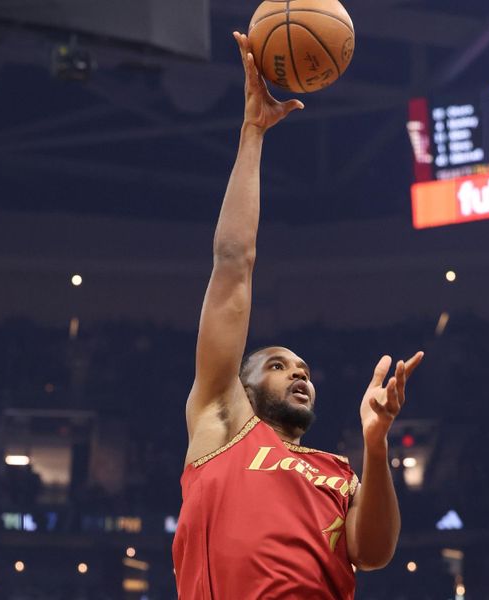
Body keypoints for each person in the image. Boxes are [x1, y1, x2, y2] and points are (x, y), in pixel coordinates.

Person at [171, 31, 424, 600]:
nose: (300, 373)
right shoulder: (221, 421)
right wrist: (253, 135)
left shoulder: (340, 473)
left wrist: (376, 442)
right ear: (242, 383)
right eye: (281, 365)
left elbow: (374, 553)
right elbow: (234, 263)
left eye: (303, 368)